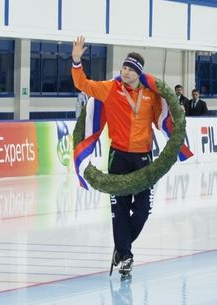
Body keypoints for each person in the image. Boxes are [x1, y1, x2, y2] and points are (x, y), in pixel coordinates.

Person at [71, 36, 162, 278]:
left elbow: (161, 118)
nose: (125, 72)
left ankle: (121, 249)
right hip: (118, 157)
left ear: (138, 73)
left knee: (142, 211)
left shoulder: (150, 95)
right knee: (119, 209)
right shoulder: (110, 89)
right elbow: (83, 84)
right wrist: (77, 60)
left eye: (130, 69)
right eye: (123, 68)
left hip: (143, 158)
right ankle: (126, 256)